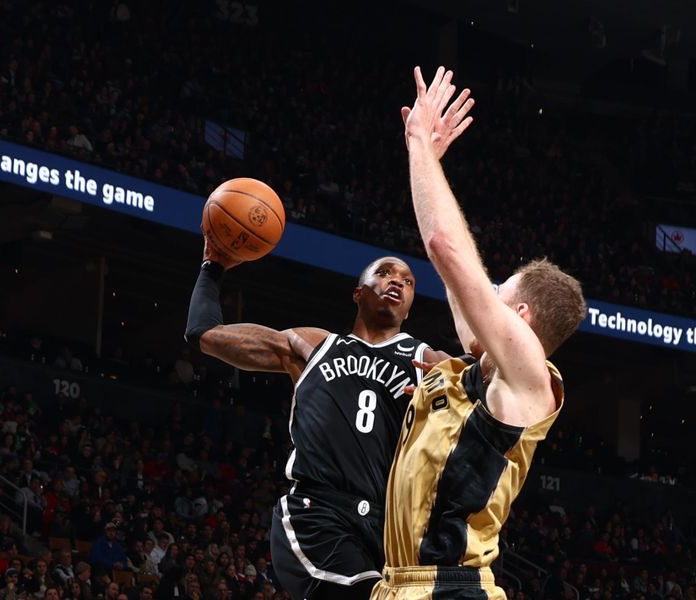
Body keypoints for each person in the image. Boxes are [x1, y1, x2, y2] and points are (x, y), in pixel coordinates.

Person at [184, 98, 471, 600]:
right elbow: (206, 336)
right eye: (383, 273)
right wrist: (212, 266)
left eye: (405, 279)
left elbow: (489, 384)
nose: (396, 282)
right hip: (318, 514)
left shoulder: (431, 363)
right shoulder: (310, 346)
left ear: (410, 307)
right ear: (357, 293)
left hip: (389, 530)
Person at [370, 66, 587, 600]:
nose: (485, 297)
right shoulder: (486, 368)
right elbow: (454, 271)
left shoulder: (529, 373)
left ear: (522, 317)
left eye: (498, 293)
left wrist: (419, 142)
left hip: (450, 588)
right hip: (402, 585)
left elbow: (445, 247)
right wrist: (436, 166)